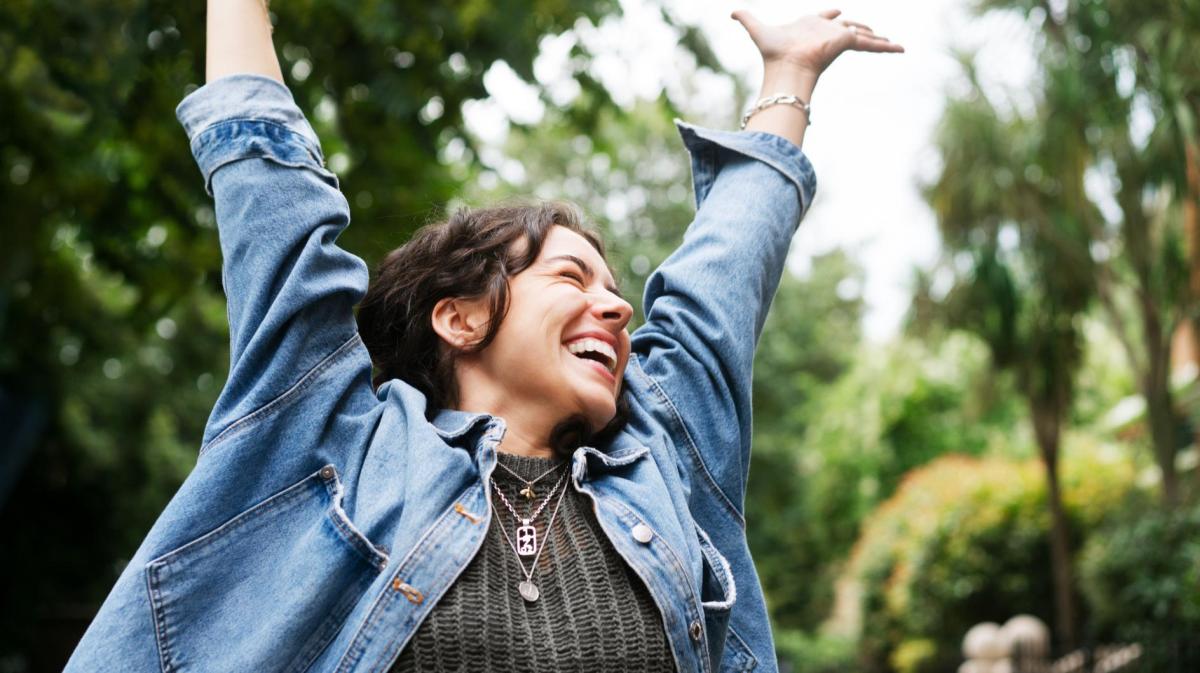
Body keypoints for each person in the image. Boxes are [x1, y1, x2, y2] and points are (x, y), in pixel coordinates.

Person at [65, 2, 902, 671]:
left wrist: (789, 75)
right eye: (571, 278)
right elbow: (271, 202)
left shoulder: (662, 455)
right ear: (459, 317)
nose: (616, 310)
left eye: (614, 292)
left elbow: (720, 283)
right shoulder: (340, 449)